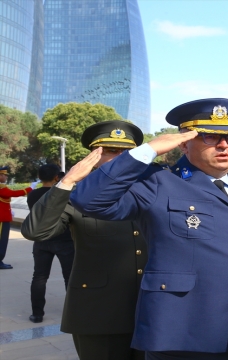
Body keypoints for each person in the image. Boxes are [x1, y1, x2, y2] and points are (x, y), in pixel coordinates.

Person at [69, 98, 228, 359]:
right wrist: (147, 150)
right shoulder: (158, 182)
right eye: (209, 137)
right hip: (184, 335)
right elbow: (88, 200)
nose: (223, 145)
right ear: (184, 143)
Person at [22, 121, 147, 360]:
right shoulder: (78, 193)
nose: (119, 158)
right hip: (98, 314)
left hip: (151, 311)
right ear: (94, 155)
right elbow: (35, 231)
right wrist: (67, 182)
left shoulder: (151, 189)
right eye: (110, 150)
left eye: (126, 152)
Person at [25, 164, 75, 323]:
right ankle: (73, 313)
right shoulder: (64, 194)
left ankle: (37, 313)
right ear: (56, 177)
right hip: (64, 240)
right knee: (70, 277)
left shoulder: (32, 195)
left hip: (41, 240)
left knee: (39, 276)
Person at [0, 166, 37, 269]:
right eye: (4, 175)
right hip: (2, 219)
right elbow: (14, 193)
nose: (6, 177)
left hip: (3, 216)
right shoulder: (1, 188)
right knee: (2, 241)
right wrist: (30, 188)